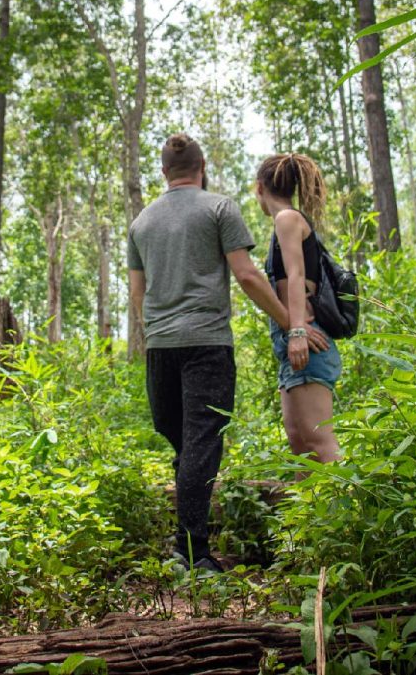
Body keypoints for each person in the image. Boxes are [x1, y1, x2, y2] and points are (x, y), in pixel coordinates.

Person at [127, 133, 295, 573]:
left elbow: (136, 294)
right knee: (200, 442)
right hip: (207, 343)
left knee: (184, 441)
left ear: (164, 173)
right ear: (202, 167)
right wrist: (291, 322)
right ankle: (193, 553)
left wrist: (157, 331)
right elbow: (247, 276)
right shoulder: (220, 207)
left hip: (160, 347)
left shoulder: (141, 223)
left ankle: (185, 543)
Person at [254, 153, 341, 465]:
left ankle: (357, 508)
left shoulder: (287, 219)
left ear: (259, 188)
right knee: (300, 443)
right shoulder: (286, 222)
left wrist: (298, 332)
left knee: (318, 439)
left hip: (305, 337)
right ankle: (307, 514)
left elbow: (296, 276)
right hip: (291, 338)